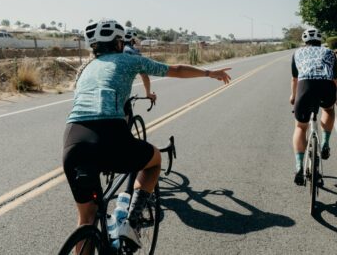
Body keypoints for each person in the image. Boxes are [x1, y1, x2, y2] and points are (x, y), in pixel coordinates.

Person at [63, 19, 231, 249]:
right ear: (119, 42)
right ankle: (132, 221)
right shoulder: (129, 59)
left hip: (74, 138)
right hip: (109, 134)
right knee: (154, 161)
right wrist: (209, 72)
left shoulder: (85, 70)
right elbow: (176, 69)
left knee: (86, 219)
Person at [290, 26, 337, 186]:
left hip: (305, 87)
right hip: (326, 87)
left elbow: (295, 79)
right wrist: (335, 96)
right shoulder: (329, 53)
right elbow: (334, 79)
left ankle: (299, 166)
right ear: (320, 40)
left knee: (300, 127)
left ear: (304, 41)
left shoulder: (297, 53)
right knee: (329, 110)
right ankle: (325, 143)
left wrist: (293, 96)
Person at [123, 27, 156, 103]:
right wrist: (148, 93)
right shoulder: (133, 52)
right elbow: (144, 75)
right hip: (122, 93)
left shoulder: (115, 50)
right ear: (132, 39)